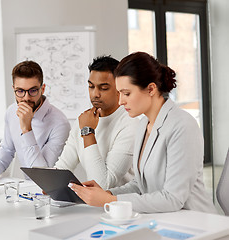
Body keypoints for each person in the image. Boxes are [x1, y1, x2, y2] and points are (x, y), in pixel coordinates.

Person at [68, 52, 217, 213]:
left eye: (127, 93)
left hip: (194, 221)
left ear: (151, 89)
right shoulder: (144, 124)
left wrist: (110, 200)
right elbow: (141, 185)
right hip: (163, 218)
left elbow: (173, 198)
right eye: (120, 93)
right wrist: (106, 194)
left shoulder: (182, 125)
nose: (120, 101)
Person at [54, 55, 139, 189]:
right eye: (91, 86)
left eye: (103, 88)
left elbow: (102, 185)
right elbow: (63, 167)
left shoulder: (130, 125)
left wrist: (88, 132)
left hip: (123, 205)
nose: (95, 94)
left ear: (119, 89)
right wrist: (50, 185)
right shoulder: (83, 120)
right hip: (94, 205)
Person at [0, 61, 71, 179]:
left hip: (50, 190)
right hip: (25, 189)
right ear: (14, 89)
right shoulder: (11, 112)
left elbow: (43, 174)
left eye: (33, 91)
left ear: (42, 89)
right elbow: (7, 149)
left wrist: (26, 129)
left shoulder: (60, 123)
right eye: (20, 91)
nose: (26, 98)